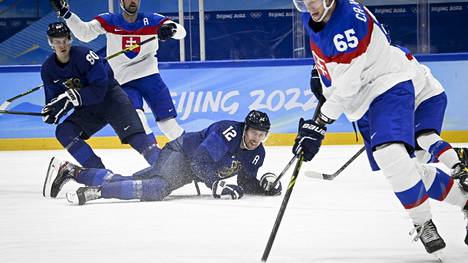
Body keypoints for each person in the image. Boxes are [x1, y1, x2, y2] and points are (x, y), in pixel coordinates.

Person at [291, 0, 468, 257]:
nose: (309, 6)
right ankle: (465, 200)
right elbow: (337, 70)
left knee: (390, 153)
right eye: (303, 0)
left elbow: (348, 86)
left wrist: (320, 122)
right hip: (362, 103)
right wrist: (322, 77)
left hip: (385, 85)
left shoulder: (346, 25)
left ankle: (422, 221)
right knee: (406, 169)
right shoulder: (320, 16)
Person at [42, 110, 282, 205]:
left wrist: (265, 186)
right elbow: (199, 161)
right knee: (157, 188)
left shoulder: (257, 153)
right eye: (253, 133)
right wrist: (216, 185)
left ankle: (73, 172)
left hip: (188, 169)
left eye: (262, 135)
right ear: (245, 128)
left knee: (133, 180)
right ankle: (96, 193)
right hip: (180, 153)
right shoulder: (227, 132)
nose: (256, 139)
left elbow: (245, 181)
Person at [49, 0, 186, 147]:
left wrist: (171, 29)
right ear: (121, 2)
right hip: (124, 82)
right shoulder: (110, 20)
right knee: (138, 120)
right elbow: (84, 33)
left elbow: (181, 32)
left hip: (150, 77)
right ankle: (158, 159)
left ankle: (193, 156)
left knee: (168, 124)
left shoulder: (152, 19)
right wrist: (66, 14)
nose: (132, 1)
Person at [41, 22, 160, 170]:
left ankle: (170, 168)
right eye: (57, 42)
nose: (62, 45)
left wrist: (70, 98)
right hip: (89, 110)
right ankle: (99, 174)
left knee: (137, 139)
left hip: (112, 100)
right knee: (64, 132)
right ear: (50, 43)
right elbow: (56, 101)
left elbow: (99, 89)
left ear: (70, 39)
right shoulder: (48, 69)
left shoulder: (85, 55)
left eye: (65, 40)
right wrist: (52, 113)